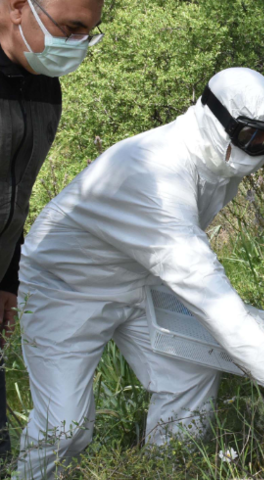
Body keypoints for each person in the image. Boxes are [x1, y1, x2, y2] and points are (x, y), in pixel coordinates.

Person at [13, 67, 264, 480]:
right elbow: (206, 289)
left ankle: (165, 470)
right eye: (251, 135)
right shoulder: (155, 174)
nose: (258, 148)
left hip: (140, 278)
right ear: (216, 119)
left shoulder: (217, 163)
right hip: (67, 286)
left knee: (191, 371)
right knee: (65, 425)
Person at [0, 0, 103, 474]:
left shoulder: (44, 87)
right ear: (19, 7)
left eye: (88, 33)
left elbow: (17, 192)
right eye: (71, 28)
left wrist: (7, 277)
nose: (78, 44)